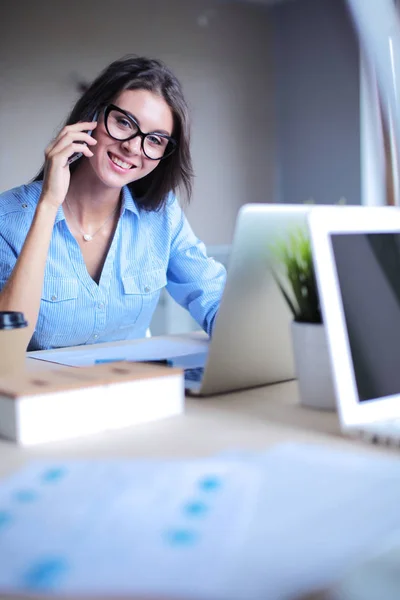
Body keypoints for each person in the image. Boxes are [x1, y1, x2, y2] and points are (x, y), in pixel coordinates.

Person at [0, 56, 226, 351]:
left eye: (155, 140)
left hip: (132, 390)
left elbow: (213, 298)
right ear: (92, 114)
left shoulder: (161, 215)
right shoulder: (7, 218)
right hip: (41, 395)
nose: (133, 147)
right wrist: (48, 204)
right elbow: (7, 347)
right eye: (123, 122)